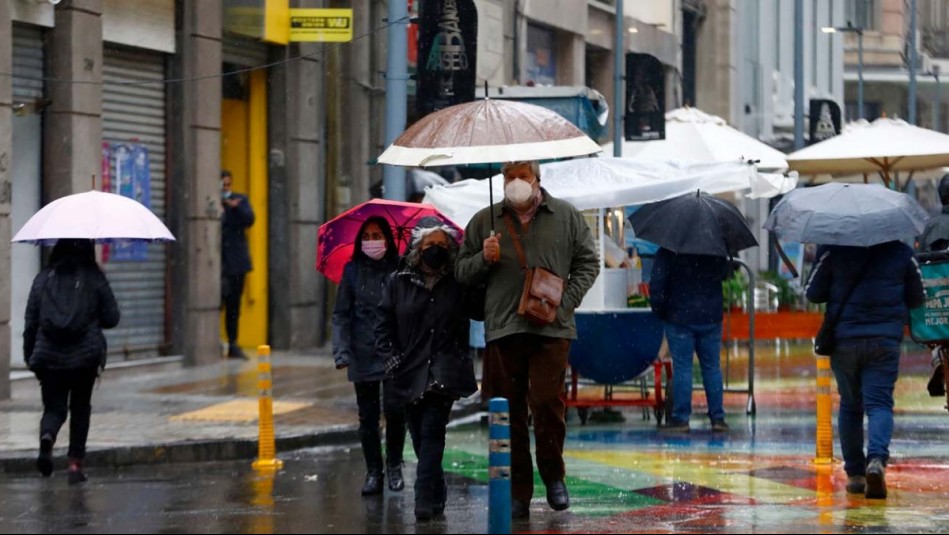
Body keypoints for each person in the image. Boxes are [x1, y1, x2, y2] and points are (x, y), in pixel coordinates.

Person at [456, 161, 599, 520]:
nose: (516, 184)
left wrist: (564, 303)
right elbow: (461, 272)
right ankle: (519, 490)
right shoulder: (483, 220)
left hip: (551, 329)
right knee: (510, 411)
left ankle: (554, 477)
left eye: (523, 177)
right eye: (510, 178)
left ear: (537, 180)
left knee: (548, 403)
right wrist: (482, 259)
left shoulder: (565, 216)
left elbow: (588, 263)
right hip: (504, 327)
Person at [375, 217, 478, 521]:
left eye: (442, 245)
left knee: (433, 432)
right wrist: (391, 358)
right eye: (430, 244)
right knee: (419, 435)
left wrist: (482, 267)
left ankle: (422, 500)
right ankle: (437, 489)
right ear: (418, 248)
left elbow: (479, 310)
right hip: (408, 371)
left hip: (444, 372)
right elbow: (382, 327)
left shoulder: (458, 282)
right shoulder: (398, 281)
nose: (435, 250)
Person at [805, 241, 925, 499]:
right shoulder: (901, 251)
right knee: (880, 404)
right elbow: (918, 298)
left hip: (845, 340)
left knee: (850, 405)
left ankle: (856, 475)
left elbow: (813, 293)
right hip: (884, 341)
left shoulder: (832, 249)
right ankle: (877, 461)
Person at [23, 239, 120, 485]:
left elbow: (31, 322)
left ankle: (47, 437)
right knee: (80, 408)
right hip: (84, 358)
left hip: (49, 357)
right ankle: (75, 464)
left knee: (54, 408)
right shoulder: (93, 276)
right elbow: (112, 317)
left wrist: (30, 357)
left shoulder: (43, 279)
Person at [332, 217, 407, 496]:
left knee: (396, 410)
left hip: (393, 353)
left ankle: (395, 466)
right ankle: (374, 472)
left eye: (378, 235)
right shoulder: (351, 271)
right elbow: (340, 314)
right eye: (367, 235)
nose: (372, 240)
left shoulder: (400, 270)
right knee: (368, 417)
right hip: (362, 352)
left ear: (387, 239)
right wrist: (341, 351)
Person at [649, 249, 731, 433]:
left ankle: (681, 418)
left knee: (683, 367)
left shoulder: (669, 248)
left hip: (679, 316)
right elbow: (725, 273)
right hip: (710, 316)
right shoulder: (713, 246)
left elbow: (657, 284)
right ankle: (717, 418)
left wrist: (659, 309)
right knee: (712, 367)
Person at [220, 170, 255, 360]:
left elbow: (249, 219)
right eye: (222, 185)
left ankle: (233, 343)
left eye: (228, 185)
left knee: (234, 306)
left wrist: (234, 207)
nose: (226, 189)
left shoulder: (239, 201)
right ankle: (216, 341)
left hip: (236, 263)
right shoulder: (214, 202)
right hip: (219, 264)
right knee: (219, 303)